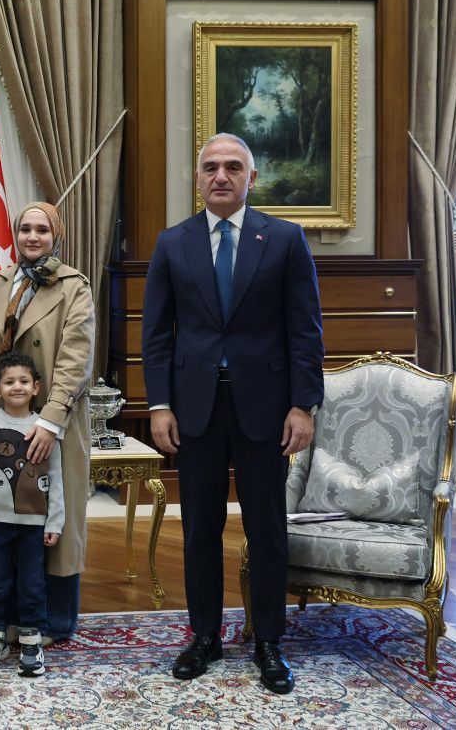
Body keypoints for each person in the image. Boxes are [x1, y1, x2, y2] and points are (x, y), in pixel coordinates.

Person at [142, 133, 324, 695]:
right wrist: (159, 405)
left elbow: (305, 330)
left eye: (233, 167)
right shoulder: (173, 243)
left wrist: (303, 405)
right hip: (194, 409)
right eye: (210, 167)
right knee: (200, 528)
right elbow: (156, 335)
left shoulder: (285, 239)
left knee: (266, 528)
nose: (220, 176)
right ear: (197, 178)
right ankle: (205, 636)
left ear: (252, 178)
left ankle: (268, 639)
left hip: (266, 409)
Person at [0, 201, 95, 642]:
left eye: (42, 229)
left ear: (56, 236)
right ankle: (4, 618)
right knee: (4, 516)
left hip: (51, 423)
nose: (33, 237)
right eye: (25, 229)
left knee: (51, 518)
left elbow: (75, 360)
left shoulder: (73, 286)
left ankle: (52, 620)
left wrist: (51, 420)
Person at [0, 351, 64, 677]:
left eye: (23, 381)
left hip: (35, 523)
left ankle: (31, 637)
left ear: (36, 387)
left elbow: (56, 479)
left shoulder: (45, 429)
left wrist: (55, 521)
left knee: (32, 582)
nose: (17, 387)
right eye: (9, 382)